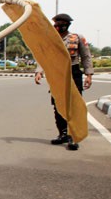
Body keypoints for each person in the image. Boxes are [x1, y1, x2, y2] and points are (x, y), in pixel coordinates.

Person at [33, 13, 93, 151]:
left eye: (60, 23)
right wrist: (39, 71)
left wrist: (89, 75)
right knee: (58, 104)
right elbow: (44, 57)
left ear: (67, 24)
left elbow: (86, 56)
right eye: (56, 23)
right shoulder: (51, 39)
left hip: (73, 71)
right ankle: (63, 133)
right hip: (57, 73)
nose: (57, 26)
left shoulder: (77, 38)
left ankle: (73, 136)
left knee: (73, 104)